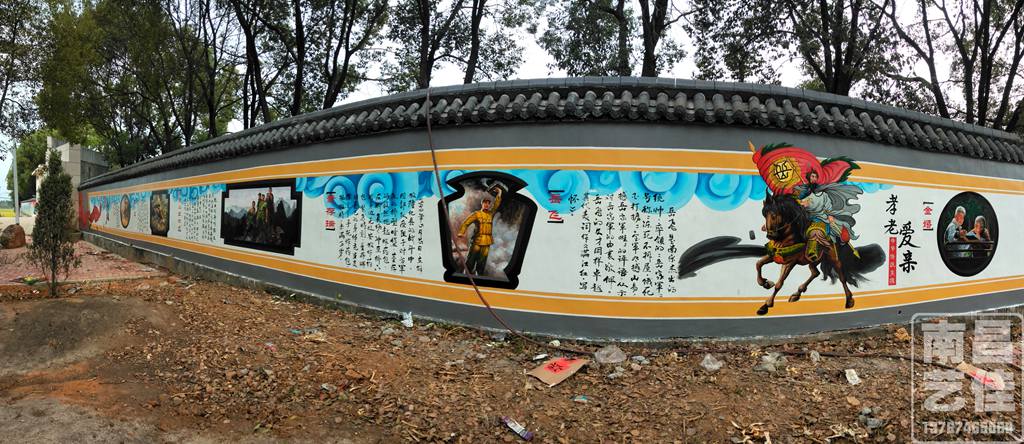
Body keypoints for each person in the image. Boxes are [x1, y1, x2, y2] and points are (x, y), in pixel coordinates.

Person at [792, 171, 862, 261]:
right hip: (807, 217)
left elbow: (827, 206)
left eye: (815, 177)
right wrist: (801, 203)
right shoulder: (805, 193)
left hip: (821, 218)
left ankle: (814, 252)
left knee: (816, 231)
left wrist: (829, 215)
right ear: (809, 178)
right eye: (812, 176)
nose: (814, 178)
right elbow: (799, 203)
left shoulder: (823, 194)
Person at [457, 186, 503, 275]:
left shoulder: (490, 214)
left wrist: (499, 193)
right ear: (482, 204)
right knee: (471, 260)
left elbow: (496, 204)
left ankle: (479, 277)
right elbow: (466, 222)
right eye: (485, 203)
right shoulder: (477, 214)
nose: (486, 205)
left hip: (487, 242)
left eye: (488, 203)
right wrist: (461, 232)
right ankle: (466, 275)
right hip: (477, 241)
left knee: (482, 262)